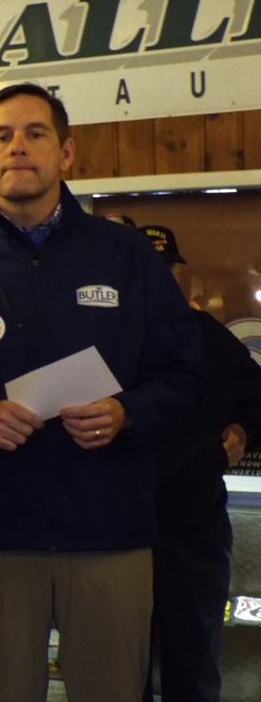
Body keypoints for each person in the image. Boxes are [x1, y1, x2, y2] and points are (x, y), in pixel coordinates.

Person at [0, 83, 200, 702]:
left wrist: (127, 413)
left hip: (110, 533)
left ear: (66, 154)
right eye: (2, 136)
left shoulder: (127, 258)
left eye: (35, 133)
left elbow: (183, 375)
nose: (18, 146)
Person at [139, 223, 261, 702]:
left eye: (169, 269)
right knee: (117, 669)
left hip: (194, 531)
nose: (162, 279)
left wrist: (243, 431)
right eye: (151, 270)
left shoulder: (208, 336)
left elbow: (256, 398)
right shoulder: (106, 338)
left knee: (192, 667)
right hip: (117, 530)